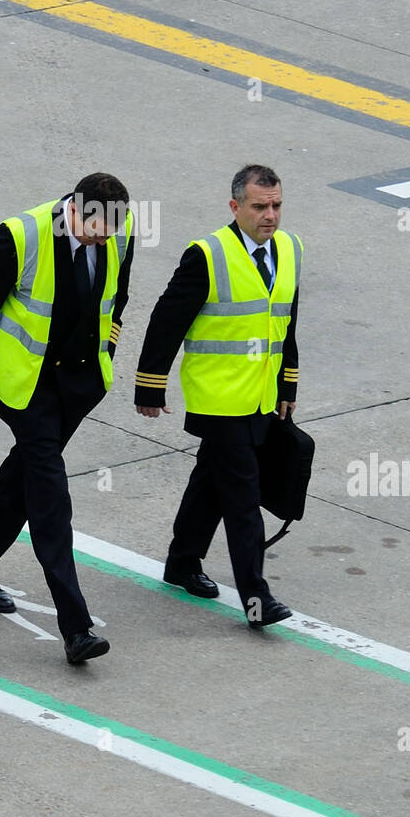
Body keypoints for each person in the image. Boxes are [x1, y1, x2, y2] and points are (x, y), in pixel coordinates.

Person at [0, 173, 134, 664]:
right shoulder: (20, 235)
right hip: (27, 385)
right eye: (95, 228)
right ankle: (76, 626)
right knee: (50, 498)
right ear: (74, 209)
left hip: (78, 384)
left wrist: (106, 351)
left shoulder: (117, 233)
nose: (103, 238)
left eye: (111, 229)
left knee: (22, 477)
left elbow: (117, 300)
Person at [134, 165, 301, 628]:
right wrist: (150, 384)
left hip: (261, 395)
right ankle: (256, 597)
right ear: (235, 207)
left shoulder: (289, 249)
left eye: (276, 205)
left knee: (210, 481)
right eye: (259, 206)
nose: (270, 216)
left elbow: (285, 321)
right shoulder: (207, 255)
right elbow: (167, 321)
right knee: (242, 498)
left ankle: (182, 561)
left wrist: (287, 383)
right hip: (218, 397)